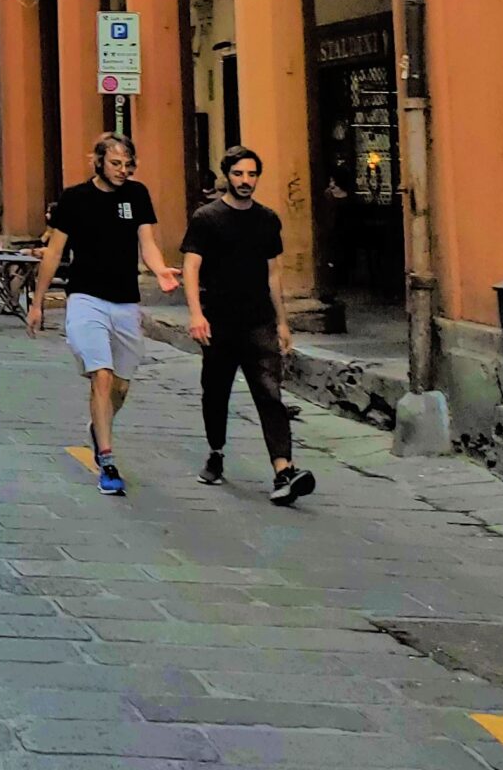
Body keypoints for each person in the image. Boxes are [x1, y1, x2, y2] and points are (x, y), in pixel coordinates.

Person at [27, 133, 179, 495]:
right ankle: (107, 461)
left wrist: (159, 270)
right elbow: (53, 253)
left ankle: (99, 426)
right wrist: (37, 302)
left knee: (122, 387)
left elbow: (148, 242)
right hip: (85, 298)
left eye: (128, 164)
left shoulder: (137, 195)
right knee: (103, 375)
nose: (123, 170)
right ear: (97, 162)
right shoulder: (75, 199)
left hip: (125, 301)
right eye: (115, 163)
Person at [182, 145, 315, 505]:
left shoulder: (268, 220)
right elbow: (191, 267)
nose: (246, 181)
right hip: (219, 321)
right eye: (239, 174)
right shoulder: (207, 218)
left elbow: (274, 273)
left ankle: (283, 471)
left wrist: (283, 322)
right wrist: (196, 314)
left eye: (252, 174)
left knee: (270, 395)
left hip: (258, 321)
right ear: (227, 175)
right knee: (215, 391)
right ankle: (216, 451)